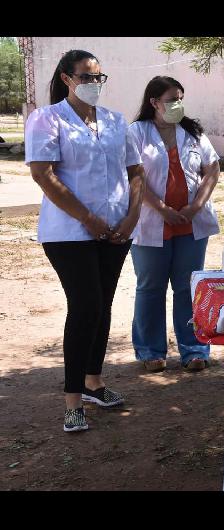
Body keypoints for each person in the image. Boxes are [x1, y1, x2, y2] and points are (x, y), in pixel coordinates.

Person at [25, 50, 144, 432]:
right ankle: (72, 399)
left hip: (116, 230)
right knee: (85, 304)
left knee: (103, 304)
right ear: (66, 79)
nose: (94, 84)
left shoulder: (114, 121)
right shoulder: (47, 119)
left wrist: (131, 217)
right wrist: (88, 219)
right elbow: (43, 175)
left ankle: (95, 382)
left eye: (99, 77)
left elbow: (136, 171)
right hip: (69, 233)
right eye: (86, 77)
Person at [128, 76, 221, 373]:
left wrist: (196, 206)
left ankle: (194, 349)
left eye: (180, 98)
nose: (178, 104)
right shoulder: (137, 133)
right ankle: (150, 351)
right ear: (154, 102)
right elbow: (133, 176)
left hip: (191, 224)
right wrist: (162, 209)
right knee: (150, 288)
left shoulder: (192, 133)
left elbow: (212, 169)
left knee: (187, 288)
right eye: (171, 99)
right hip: (151, 222)